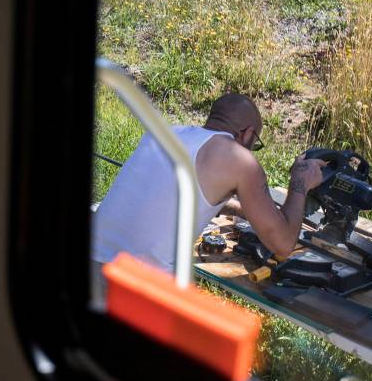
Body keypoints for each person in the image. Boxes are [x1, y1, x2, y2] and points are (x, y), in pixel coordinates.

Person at [92, 93, 327, 273]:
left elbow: (166, 196)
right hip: (134, 287)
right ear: (247, 134)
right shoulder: (238, 159)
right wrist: (300, 182)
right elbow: (283, 245)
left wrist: (238, 209)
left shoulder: (165, 133)